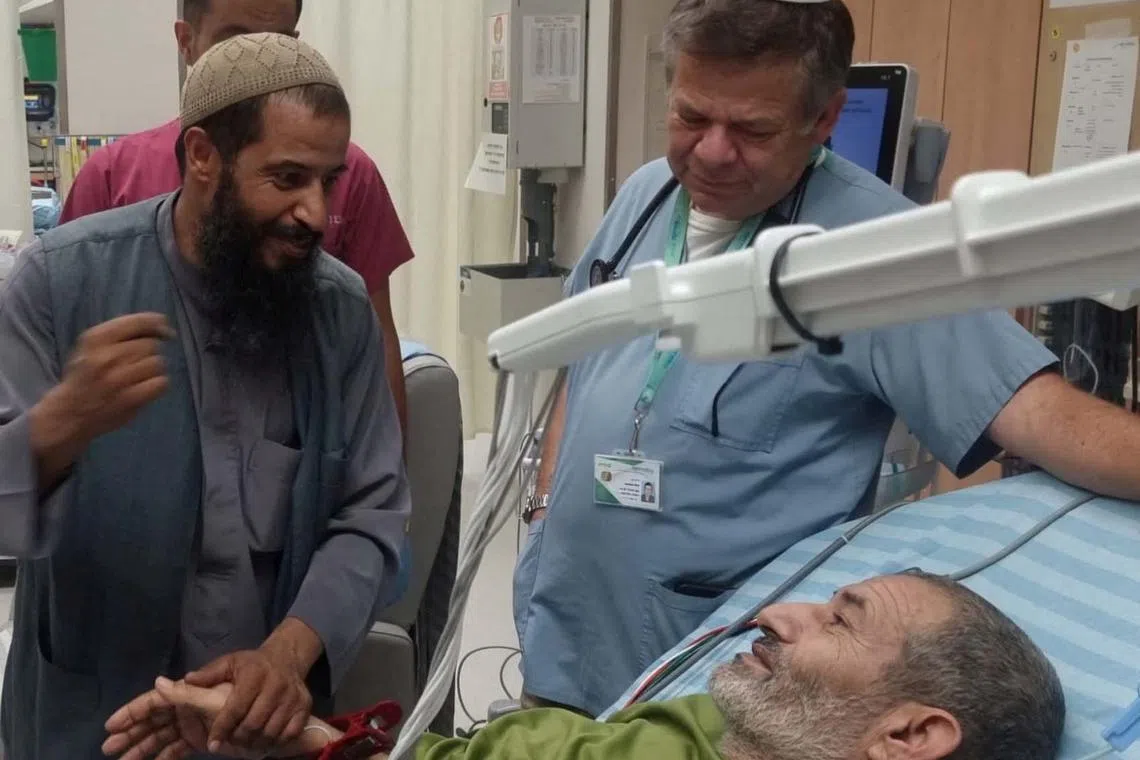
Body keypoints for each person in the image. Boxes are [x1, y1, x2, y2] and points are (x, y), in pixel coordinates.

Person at [513, 0, 1140, 718]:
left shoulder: (875, 251)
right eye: (692, 117)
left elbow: (1039, 415)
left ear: (825, 119)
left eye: (751, 129)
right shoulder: (647, 194)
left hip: (714, 670)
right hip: (563, 630)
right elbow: (586, 357)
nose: (712, 152)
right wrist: (541, 509)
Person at [0, 33, 410, 758]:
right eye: (286, 178)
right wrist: (60, 426)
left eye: (327, 180)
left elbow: (372, 513)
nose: (314, 212)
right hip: (94, 723)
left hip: (259, 728)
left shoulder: (338, 312)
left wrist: (286, 658)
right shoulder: (60, 285)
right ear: (201, 157)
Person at [103, 571, 1066, 760]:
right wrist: (300, 739)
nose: (777, 610)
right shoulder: (695, 731)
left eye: (839, 618)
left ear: (910, 734)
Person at [57, 0, 413, 436]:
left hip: (293, 446)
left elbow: (377, 344)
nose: (254, 64)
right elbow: (68, 356)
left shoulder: (351, 176)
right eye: (232, 40)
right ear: (187, 42)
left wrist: (391, 480)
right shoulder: (113, 177)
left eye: (274, 43)